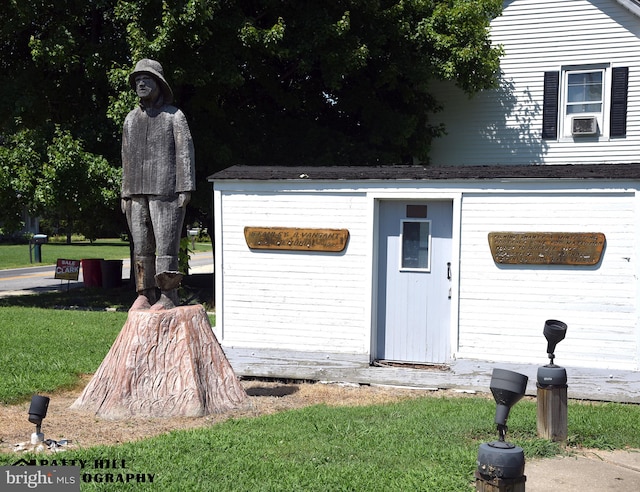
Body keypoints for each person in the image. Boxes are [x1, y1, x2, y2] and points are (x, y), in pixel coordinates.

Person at [121, 59, 195, 310]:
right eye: (137, 80)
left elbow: (185, 152)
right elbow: (125, 156)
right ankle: (144, 293)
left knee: (166, 246)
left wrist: (185, 187)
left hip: (166, 190)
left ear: (159, 84)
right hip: (135, 191)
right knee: (141, 247)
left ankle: (168, 295)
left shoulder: (174, 116)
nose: (141, 83)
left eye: (147, 79)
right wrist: (125, 192)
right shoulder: (130, 119)